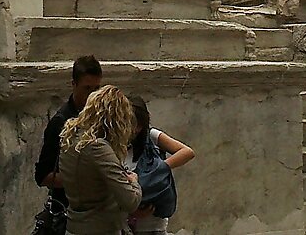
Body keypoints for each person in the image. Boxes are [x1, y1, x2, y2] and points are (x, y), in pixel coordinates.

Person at [58, 85, 142, 235]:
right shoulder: (97, 148)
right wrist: (134, 181)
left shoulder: (71, 137)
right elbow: (130, 201)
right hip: (100, 228)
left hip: (73, 226)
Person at [36, 56, 104, 209]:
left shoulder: (101, 116)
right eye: (87, 88)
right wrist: (83, 182)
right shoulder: (60, 122)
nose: (92, 96)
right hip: (68, 210)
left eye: (96, 89)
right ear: (74, 84)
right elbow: (43, 176)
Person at [125, 96, 195, 235]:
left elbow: (187, 152)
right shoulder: (113, 143)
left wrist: (158, 170)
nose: (135, 129)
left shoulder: (150, 136)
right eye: (131, 123)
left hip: (154, 225)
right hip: (126, 225)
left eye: (139, 124)